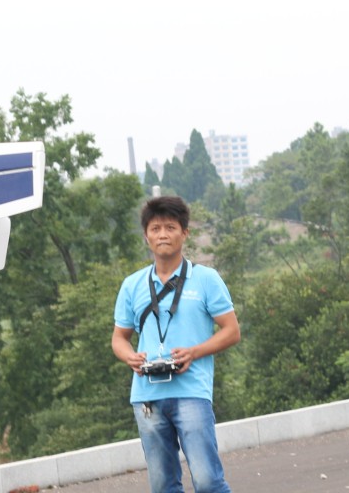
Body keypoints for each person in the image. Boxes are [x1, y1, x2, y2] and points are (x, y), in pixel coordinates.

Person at [112, 195, 240, 493]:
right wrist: (130, 357)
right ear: (146, 236)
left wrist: (194, 352)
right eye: (155, 229)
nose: (163, 235)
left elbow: (231, 331)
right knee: (163, 485)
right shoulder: (132, 285)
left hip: (192, 390)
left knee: (208, 481)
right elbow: (119, 338)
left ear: (185, 233)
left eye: (170, 227)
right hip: (147, 396)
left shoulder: (205, 279)